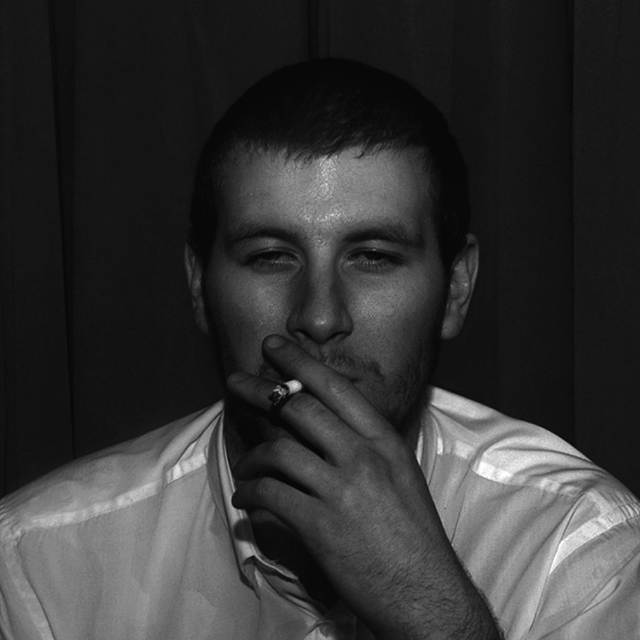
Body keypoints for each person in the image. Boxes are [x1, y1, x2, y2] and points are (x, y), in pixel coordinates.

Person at [0, 59, 638, 640]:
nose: (320, 316)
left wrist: (430, 609)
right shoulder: (38, 565)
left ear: (455, 289)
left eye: (373, 257)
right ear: (198, 285)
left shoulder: (577, 545)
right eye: (270, 256)